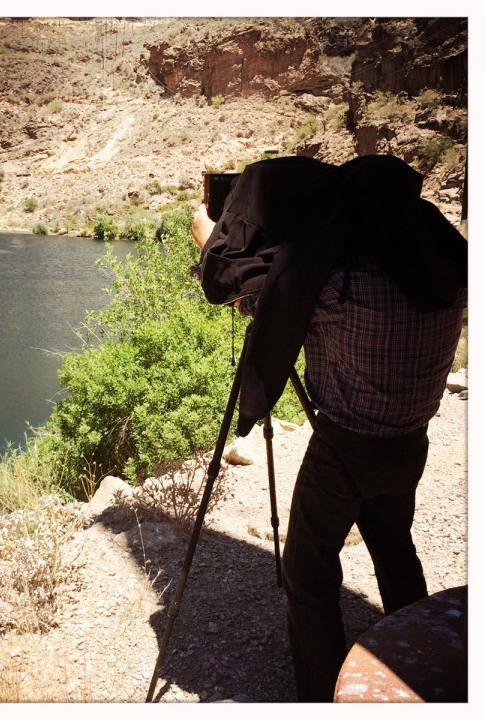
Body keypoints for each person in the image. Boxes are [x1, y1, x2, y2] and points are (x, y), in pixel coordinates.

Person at [191, 156, 466, 702]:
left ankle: (321, 698)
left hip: (344, 450)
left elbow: (257, 301)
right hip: (411, 441)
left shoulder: (341, 282)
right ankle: (421, 654)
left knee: (308, 575)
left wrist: (209, 244)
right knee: (393, 546)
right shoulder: (446, 271)